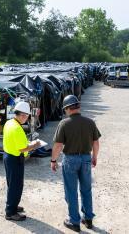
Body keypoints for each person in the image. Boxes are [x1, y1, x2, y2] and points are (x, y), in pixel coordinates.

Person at [50, 95, 101, 232]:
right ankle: (88, 218)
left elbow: (58, 145)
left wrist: (53, 160)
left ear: (67, 108)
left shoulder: (64, 124)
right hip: (85, 158)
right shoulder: (90, 122)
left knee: (71, 191)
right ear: (78, 106)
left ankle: (74, 221)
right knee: (86, 189)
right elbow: (96, 143)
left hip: (70, 160)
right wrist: (94, 157)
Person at [2, 101, 40, 221]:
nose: (27, 119)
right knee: (16, 185)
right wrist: (34, 145)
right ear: (22, 115)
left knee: (12, 184)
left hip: (8, 156)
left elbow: (17, 142)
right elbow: (22, 148)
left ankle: (12, 205)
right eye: (27, 116)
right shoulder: (17, 128)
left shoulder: (9, 123)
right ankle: (10, 212)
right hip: (15, 158)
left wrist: (28, 144)